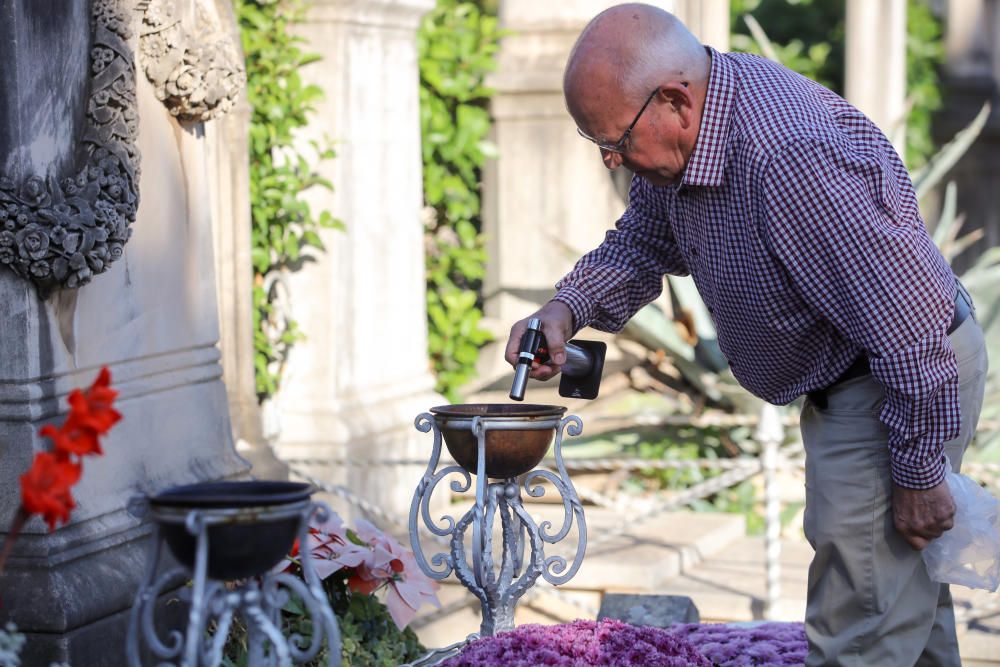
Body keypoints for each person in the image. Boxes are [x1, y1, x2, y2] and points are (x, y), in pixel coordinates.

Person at [503, 4, 989, 665]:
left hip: (897, 381)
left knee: (859, 628)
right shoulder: (685, 136)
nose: (612, 159)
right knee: (902, 600)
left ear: (674, 99)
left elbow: (909, 325)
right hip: (865, 373)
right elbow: (645, 238)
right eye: (599, 146)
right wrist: (567, 307)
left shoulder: (792, 155)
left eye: (616, 140)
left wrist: (918, 469)